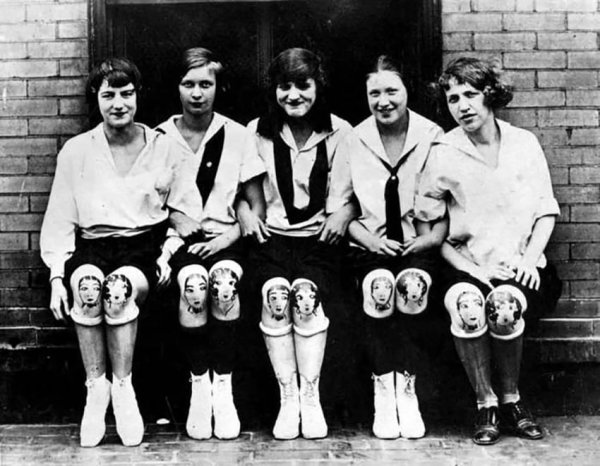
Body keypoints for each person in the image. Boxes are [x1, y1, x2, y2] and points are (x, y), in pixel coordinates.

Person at [415, 57, 562, 445]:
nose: (462, 106)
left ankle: (512, 400)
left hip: (521, 267)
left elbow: (546, 212)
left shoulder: (523, 144)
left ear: (490, 95)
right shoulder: (444, 150)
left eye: (470, 95)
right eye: (453, 99)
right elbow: (430, 227)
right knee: (468, 305)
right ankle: (486, 403)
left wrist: (528, 261)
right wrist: (473, 271)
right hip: (465, 267)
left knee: (503, 306)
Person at [40, 58, 181, 447]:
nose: (119, 103)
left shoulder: (163, 146)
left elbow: (184, 211)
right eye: (108, 95)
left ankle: (123, 388)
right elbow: (60, 218)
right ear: (96, 99)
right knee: (87, 286)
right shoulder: (76, 151)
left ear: (138, 96)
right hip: (93, 245)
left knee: (117, 291)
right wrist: (57, 277)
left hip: (142, 247)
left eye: (126, 93)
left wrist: (168, 253)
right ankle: (96, 390)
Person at [237, 47, 354, 440]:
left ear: (318, 86)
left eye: (303, 85)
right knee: (275, 295)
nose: (293, 95)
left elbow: (356, 191)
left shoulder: (340, 132)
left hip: (319, 241)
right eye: (284, 86)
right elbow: (238, 188)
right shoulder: (256, 131)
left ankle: (310, 394)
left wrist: (345, 212)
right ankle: (288, 397)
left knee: (305, 296)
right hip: (271, 240)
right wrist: (243, 211)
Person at [327, 55, 445, 439]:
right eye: (374, 94)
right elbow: (339, 205)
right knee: (378, 288)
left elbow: (447, 202)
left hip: (418, 244)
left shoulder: (431, 136)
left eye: (392, 91)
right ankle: (383, 388)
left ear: (408, 90)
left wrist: (427, 240)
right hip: (369, 245)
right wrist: (372, 242)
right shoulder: (354, 139)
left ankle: (407, 389)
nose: (384, 101)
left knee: (412, 287)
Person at [154, 47, 266, 440]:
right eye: (189, 84)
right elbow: (146, 201)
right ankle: (199, 388)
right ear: (177, 87)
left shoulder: (237, 135)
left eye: (206, 84)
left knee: (223, 284)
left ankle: (224, 387)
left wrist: (228, 238)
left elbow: (256, 204)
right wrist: (176, 217)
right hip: (181, 241)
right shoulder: (159, 137)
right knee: (193, 285)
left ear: (218, 86)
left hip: (228, 238)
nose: (197, 93)